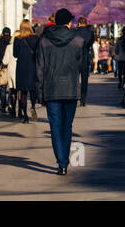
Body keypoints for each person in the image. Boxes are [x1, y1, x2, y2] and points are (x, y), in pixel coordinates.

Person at [36, 9, 91, 175]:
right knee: (67, 126)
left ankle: (61, 162)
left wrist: (39, 92)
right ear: (68, 23)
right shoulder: (78, 40)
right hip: (71, 88)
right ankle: (65, 160)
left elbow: (40, 68)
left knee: (55, 126)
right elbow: (82, 66)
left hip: (51, 88)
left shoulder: (44, 41)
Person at [13, 19, 38, 123]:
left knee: (22, 92)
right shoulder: (36, 38)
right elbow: (38, 53)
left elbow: (15, 54)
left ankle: (25, 116)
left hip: (21, 67)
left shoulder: (17, 39)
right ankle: (32, 106)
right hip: (32, 67)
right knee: (32, 90)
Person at [0, 27, 13, 114]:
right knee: (11, 87)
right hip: (11, 66)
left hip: (2, 66)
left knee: (3, 87)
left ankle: (3, 105)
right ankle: (10, 103)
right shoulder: (12, 43)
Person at [76, 16, 95, 107]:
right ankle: (83, 99)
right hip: (85, 58)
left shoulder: (74, 32)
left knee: (75, 80)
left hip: (75, 58)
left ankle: (76, 97)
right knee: (84, 80)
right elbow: (90, 44)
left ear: (79, 23)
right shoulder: (90, 33)